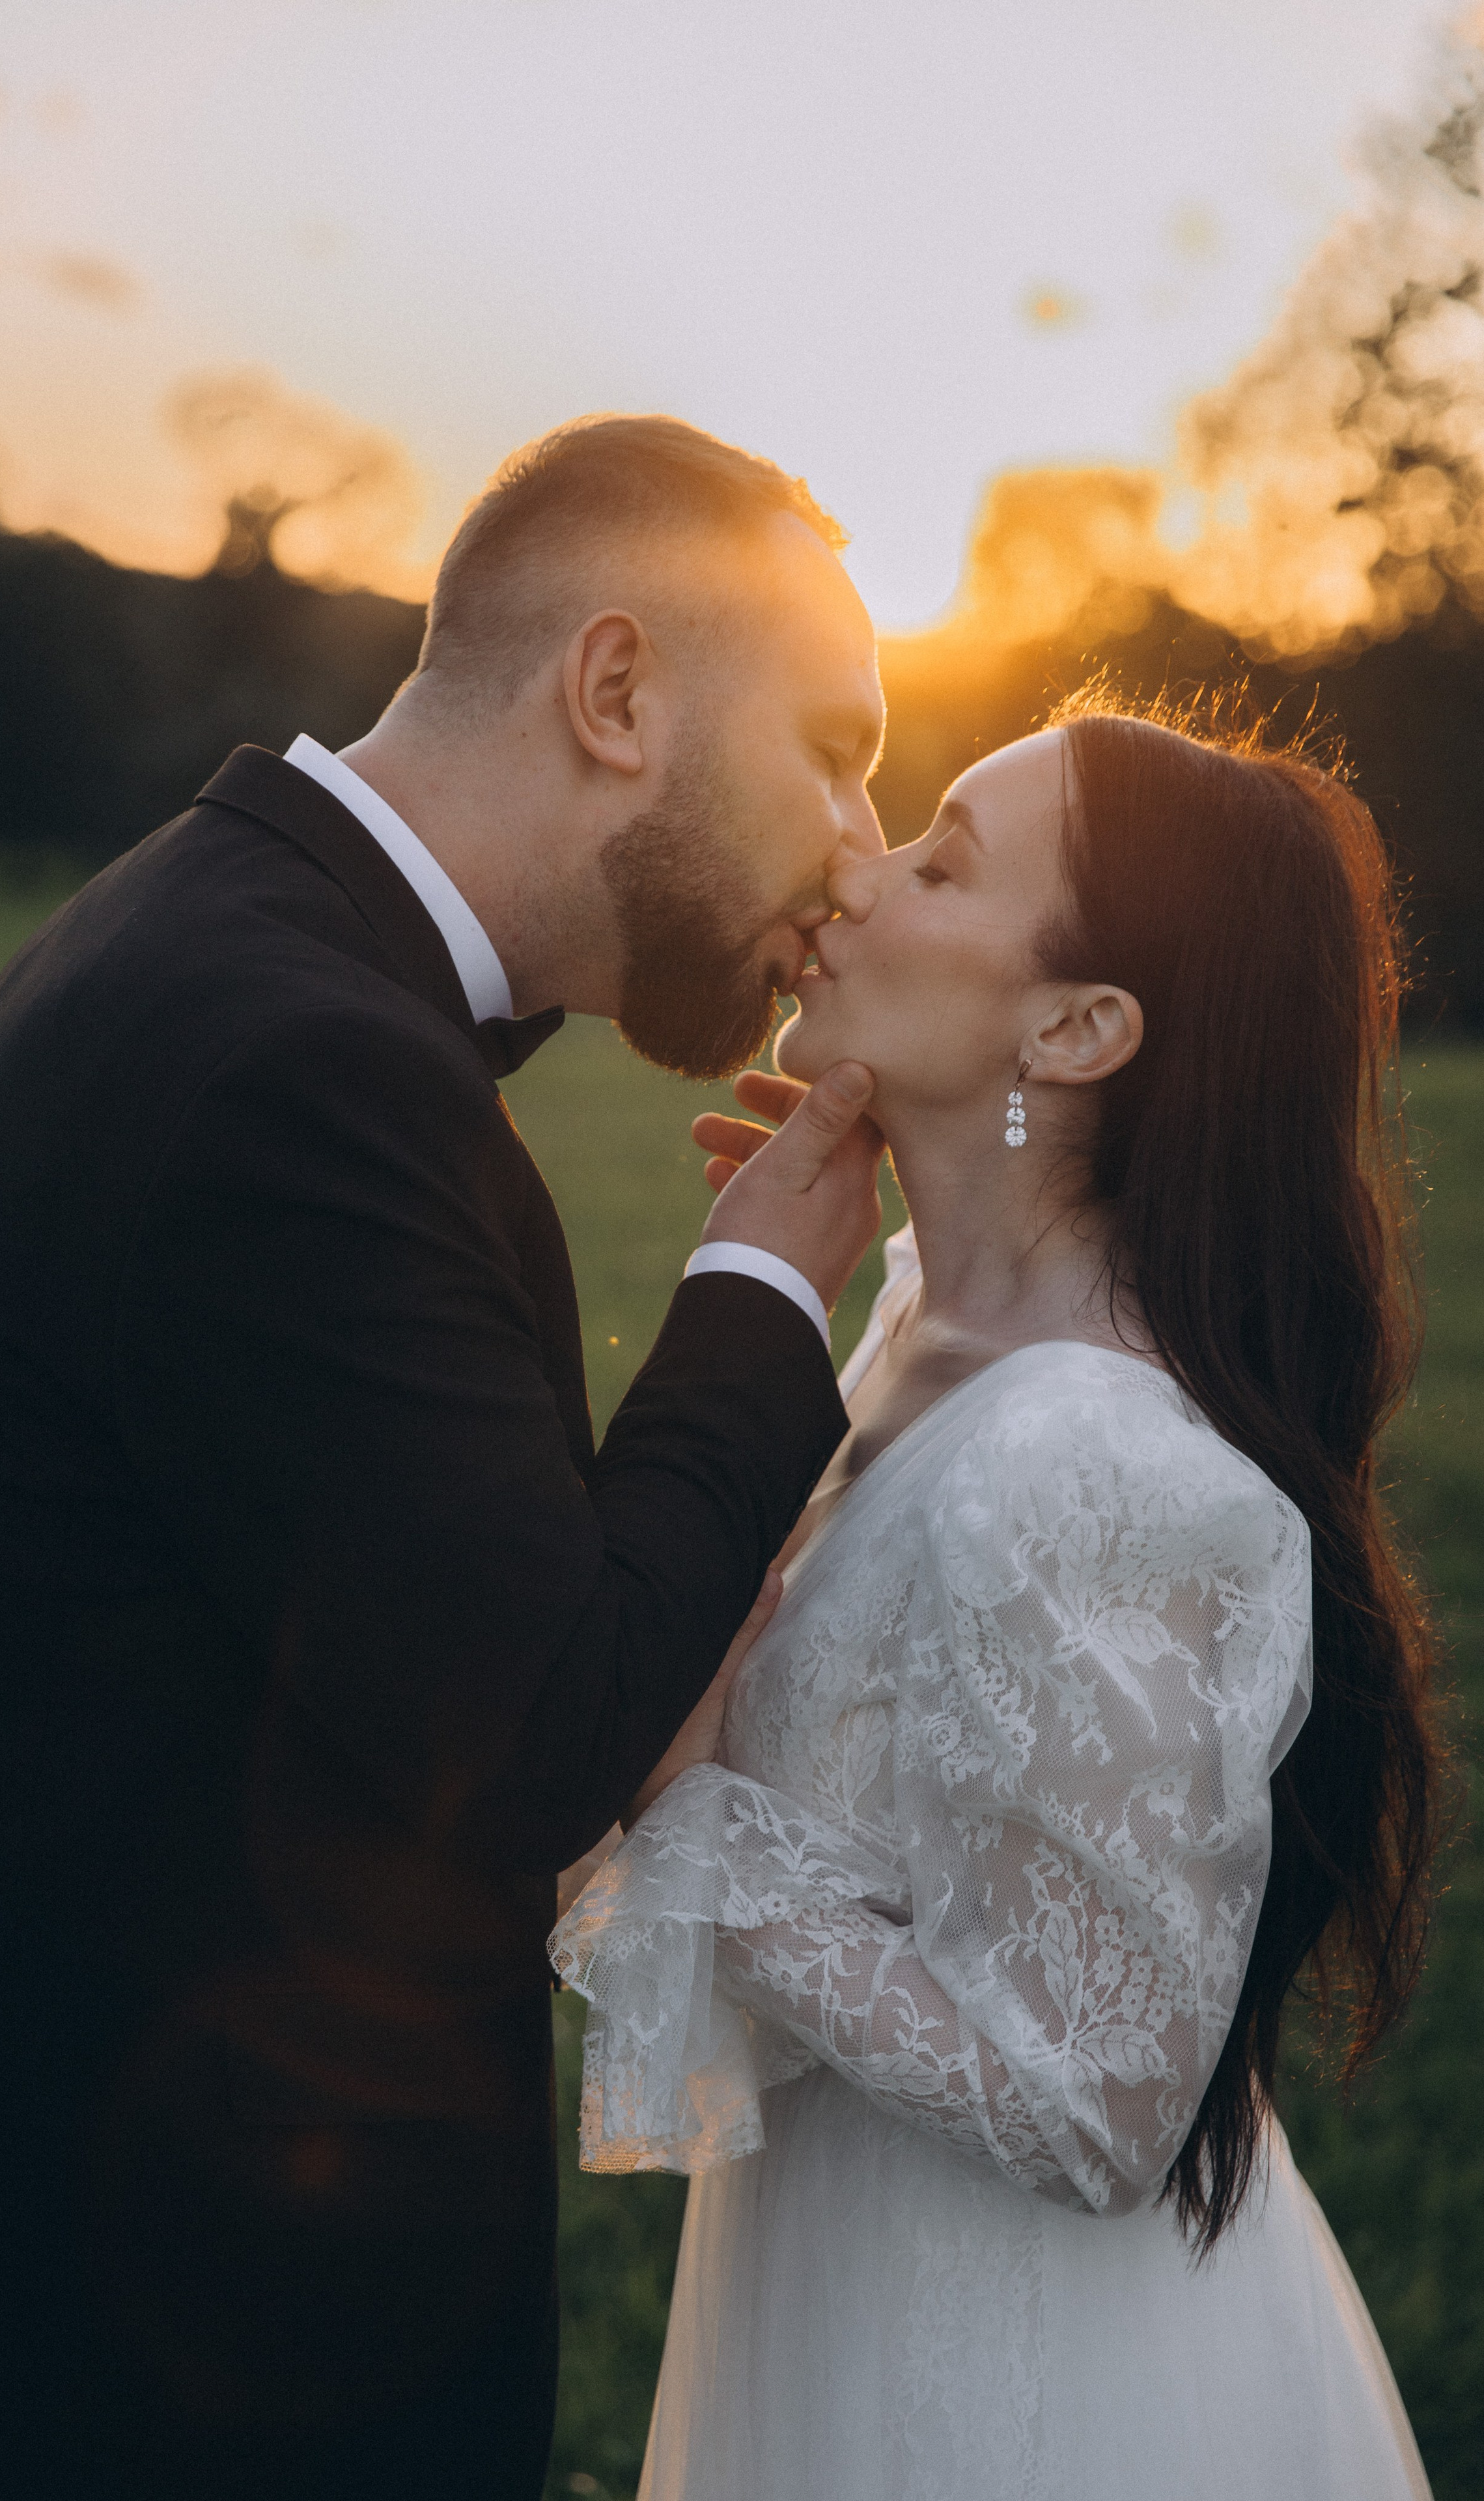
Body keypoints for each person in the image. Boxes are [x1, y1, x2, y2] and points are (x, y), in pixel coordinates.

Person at [0, 415, 892, 2500]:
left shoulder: (232, 944)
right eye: (833, 746)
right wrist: (761, 1288)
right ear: (614, 691)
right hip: (124, 2356)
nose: (861, 839)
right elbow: (537, 1724)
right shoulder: (298, 1059)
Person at [553, 699, 1442, 2500]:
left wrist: (684, 1825)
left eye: (941, 861)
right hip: (830, 2285)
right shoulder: (902, 1314)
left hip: (1022, 2389)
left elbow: (1102, 2102)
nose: (852, 876)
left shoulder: (1094, 1466)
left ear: (1080, 1025)